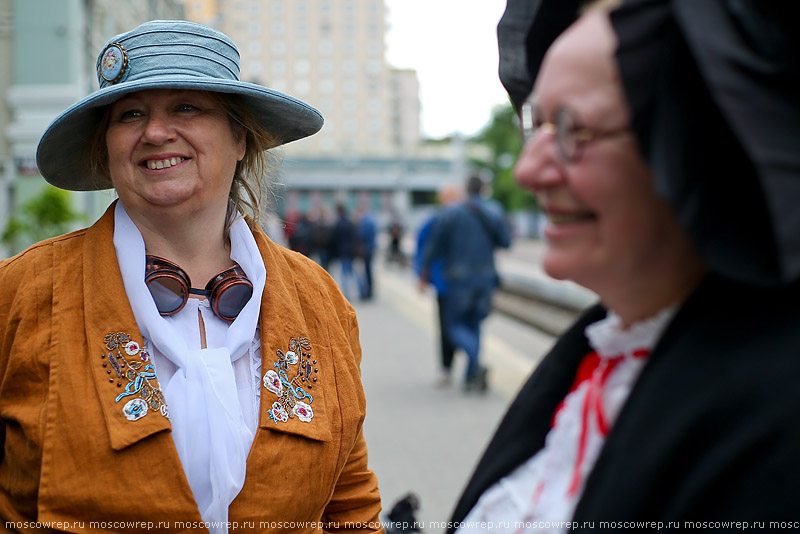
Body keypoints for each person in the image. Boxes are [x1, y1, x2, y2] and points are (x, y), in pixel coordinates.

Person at [0, 20, 383, 531]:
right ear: (107, 146)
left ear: (241, 138)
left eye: (186, 107)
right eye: (130, 114)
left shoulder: (320, 300)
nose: (155, 133)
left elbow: (351, 503)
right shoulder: (22, 293)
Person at [450, 0, 800, 530]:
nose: (527, 170)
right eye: (537, 124)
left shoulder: (777, 420)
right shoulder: (599, 350)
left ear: (693, 145)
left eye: (573, 130)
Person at [419, 174, 511, 392]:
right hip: (486, 278)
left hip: (458, 280)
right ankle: (471, 378)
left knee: (453, 328)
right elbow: (506, 242)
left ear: (466, 190)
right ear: (484, 190)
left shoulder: (451, 214)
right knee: (475, 325)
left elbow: (433, 246)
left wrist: (424, 272)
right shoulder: (494, 212)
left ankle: (475, 364)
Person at [413, 183, 463, 386]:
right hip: (444, 283)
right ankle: (447, 367)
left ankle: (467, 366)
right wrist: (422, 276)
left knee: (458, 325)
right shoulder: (435, 221)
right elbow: (422, 249)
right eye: (448, 197)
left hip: (459, 283)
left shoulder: (461, 219)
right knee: (445, 326)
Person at [328, 203, 359, 302]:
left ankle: (346, 294)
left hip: (342, 251)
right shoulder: (350, 222)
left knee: (344, 273)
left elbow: (334, 238)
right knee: (351, 272)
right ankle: (356, 292)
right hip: (350, 250)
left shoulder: (338, 224)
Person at [355, 207, 377, 300]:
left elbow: (362, 235)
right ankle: (370, 291)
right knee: (369, 271)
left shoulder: (365, 222)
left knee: (366, 271)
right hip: (371, 248)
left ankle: (367, 292)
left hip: (366, 249)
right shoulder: (371, 220)